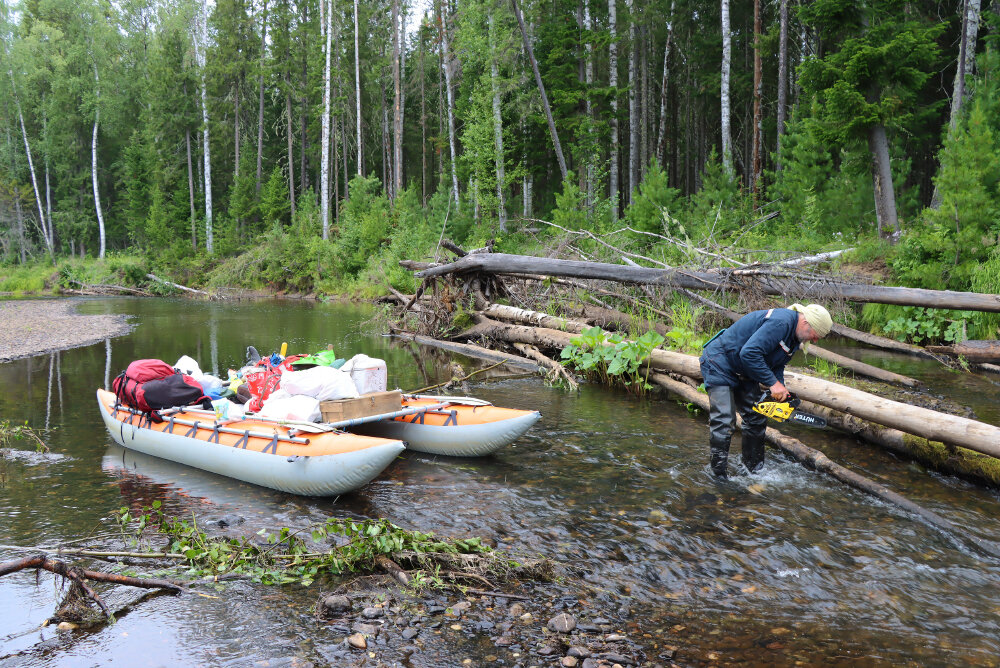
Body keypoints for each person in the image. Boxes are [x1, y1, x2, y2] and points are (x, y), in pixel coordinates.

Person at [698, 303, 832, 478]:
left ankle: (754, 472)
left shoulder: (794, 338)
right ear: (807, 323)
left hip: (744, 370)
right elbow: (749, 353)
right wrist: (772, 384)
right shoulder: (781, 323)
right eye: (815, 335)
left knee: (755, 418)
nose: (814, 341)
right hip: (719, 362)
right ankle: (718, 476)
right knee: (724, 420)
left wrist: (780, 388)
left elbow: (777, 365)